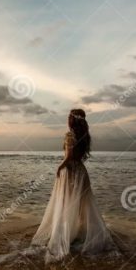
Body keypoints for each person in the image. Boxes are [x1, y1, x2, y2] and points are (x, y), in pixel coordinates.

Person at [32, 108, 115, 259]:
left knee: (65, 203)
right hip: (81, 171)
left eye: (69, 117)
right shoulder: (85, 136)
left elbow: (69, 156)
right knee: (81, 204)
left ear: (72, 120)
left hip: (70, 171)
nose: (67, 119)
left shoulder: (70, 135)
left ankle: (65, 235)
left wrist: (60, 166)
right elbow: (78, 156)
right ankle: (80, 233)